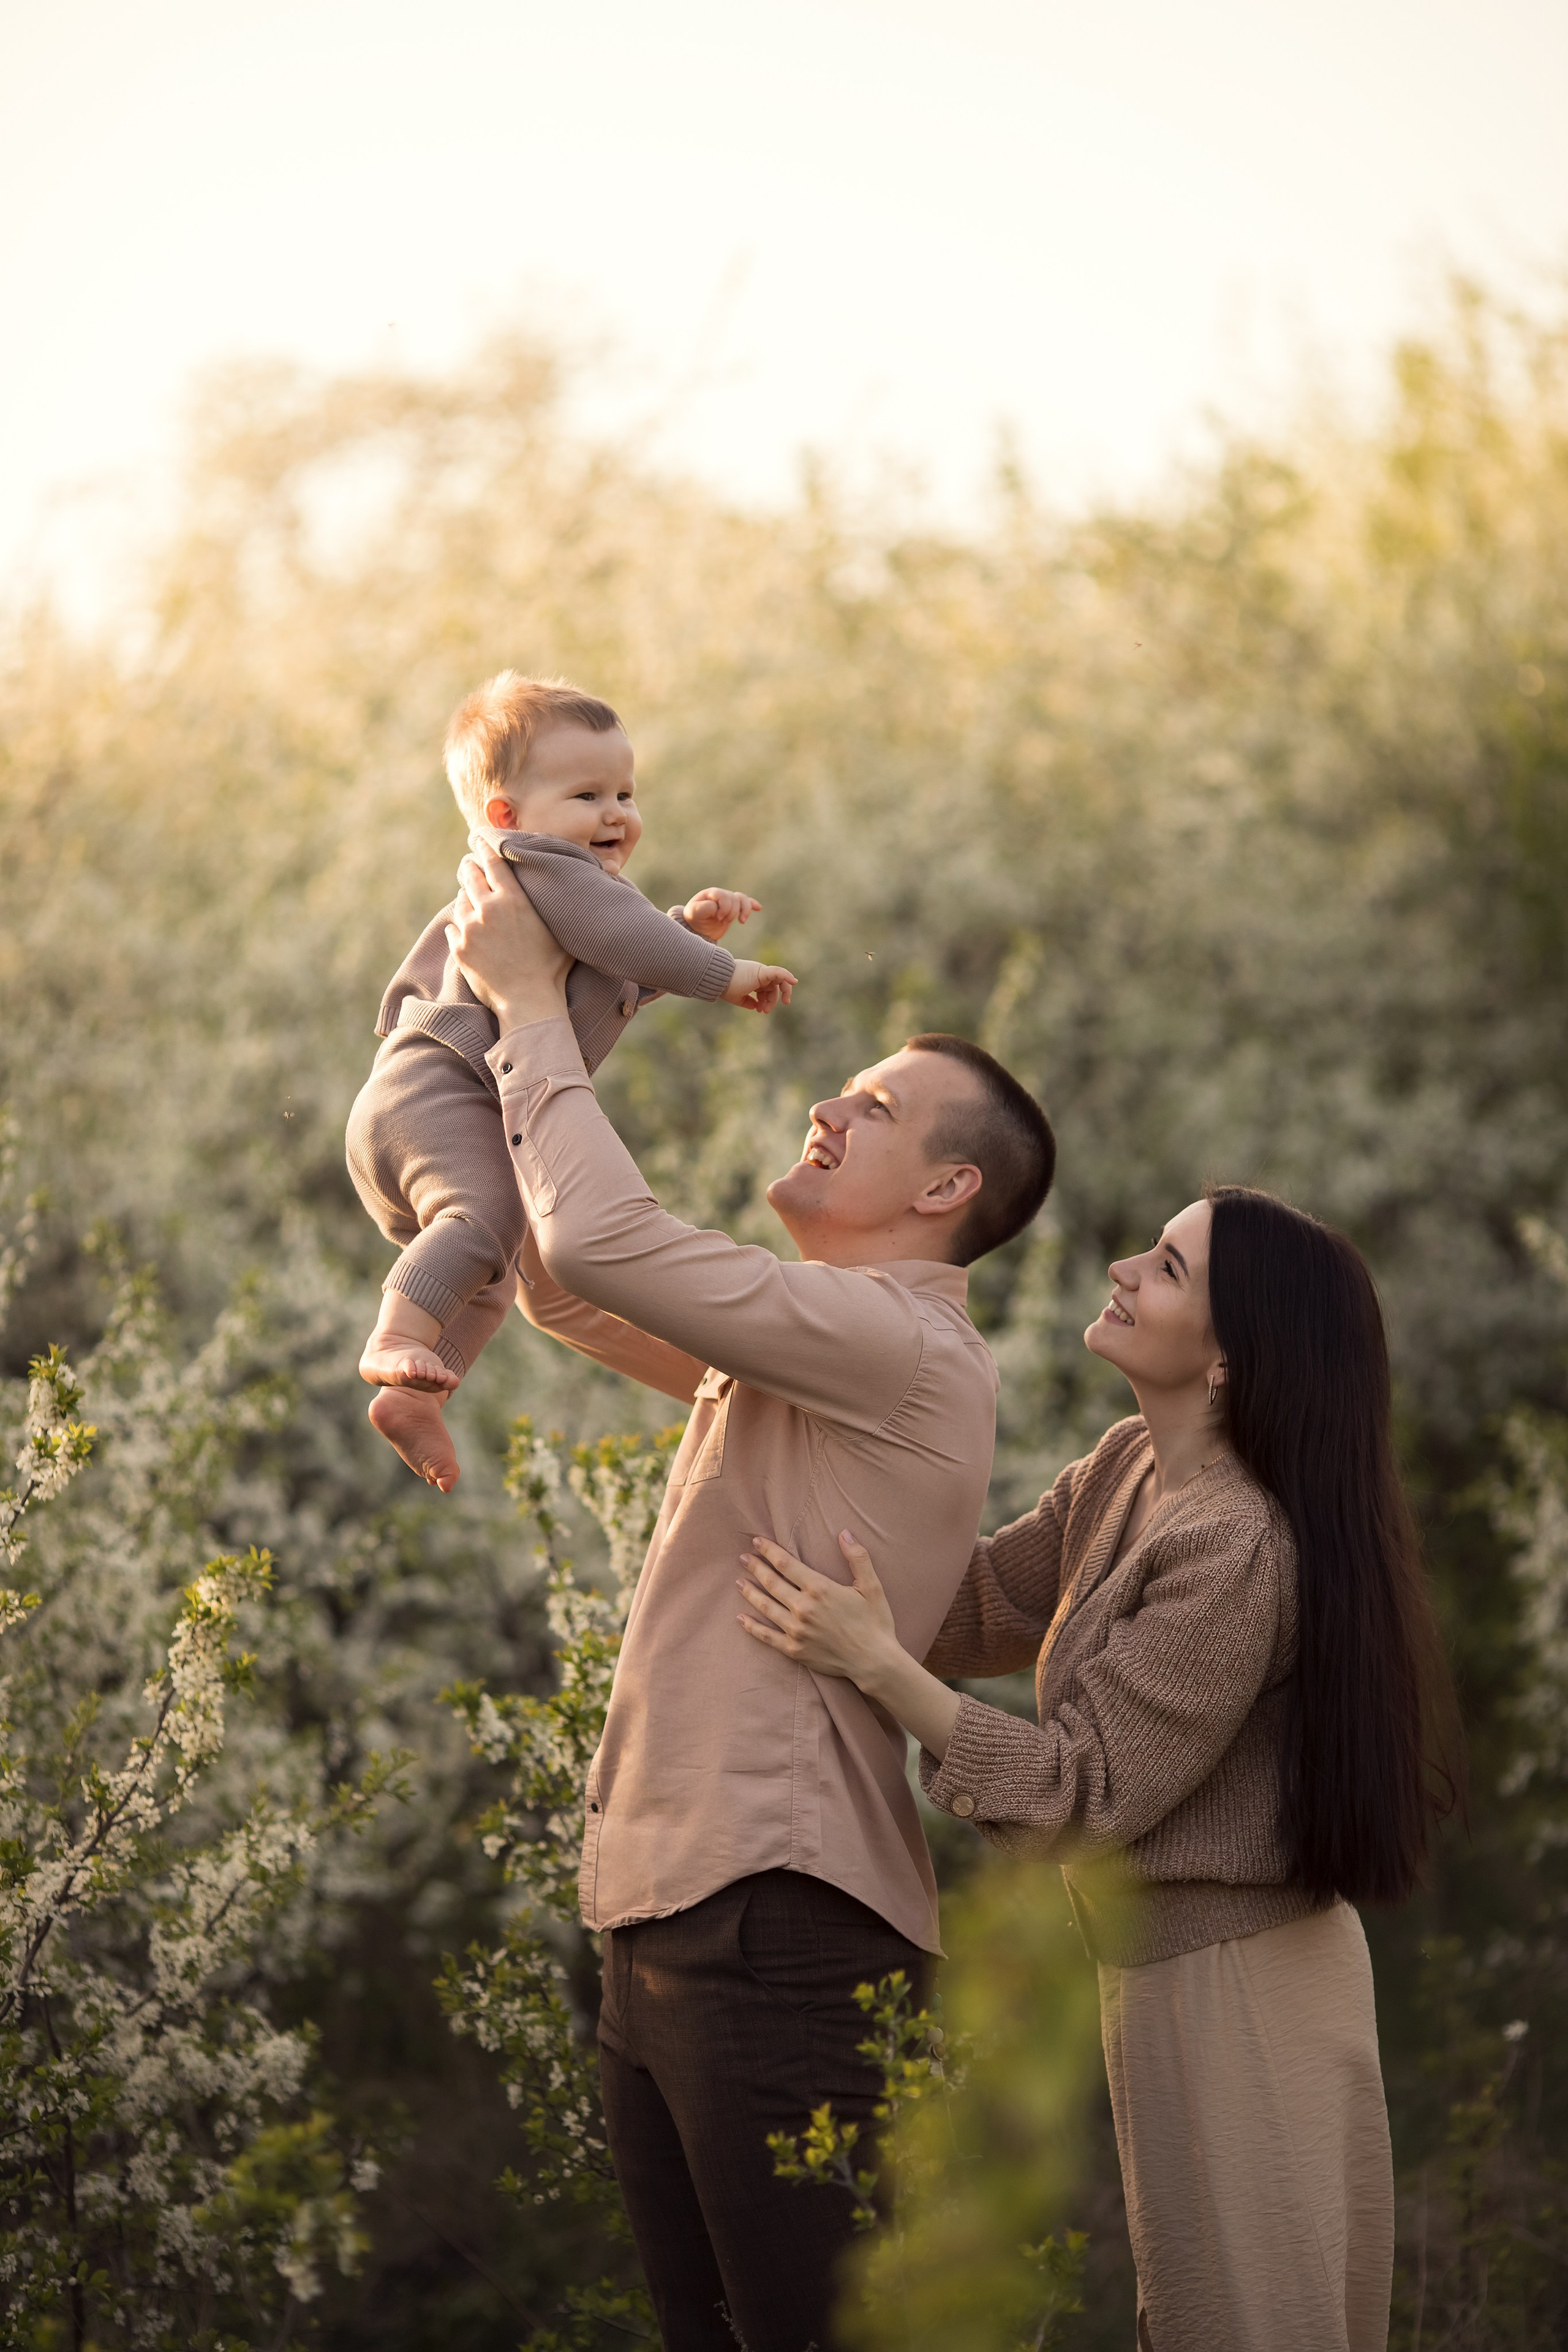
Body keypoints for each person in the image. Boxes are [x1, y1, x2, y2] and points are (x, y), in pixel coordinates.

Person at [445, 839, 1056, 2352]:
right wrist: (589, 995)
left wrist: (528, 1008)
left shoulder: (896, 1345)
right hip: (664, 1912)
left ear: (947, 1187)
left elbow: (596, 1235)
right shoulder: (812, 1342)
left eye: (873, 1107)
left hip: (777, 1921)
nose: (824, 1105)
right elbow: (562, 1282)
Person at [737, 1186, 1462, 2352]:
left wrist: (879, 1670)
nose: (1124, 1267)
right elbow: (976, 1603)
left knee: (1247, 2327)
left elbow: (1087, 1795)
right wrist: (805, 1481)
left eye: (1169, 1268)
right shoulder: (1131, 1467)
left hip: (1245, 1988)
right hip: (1171, 1974)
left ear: (1230, 1360)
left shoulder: (1235, 1544)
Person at [345, 671, 796, 1491]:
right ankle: (392, 1337)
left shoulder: (555, 891)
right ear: (505, 817)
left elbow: (617, 965)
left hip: (441, 1101)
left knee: (492, 1259)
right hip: (442, 1092)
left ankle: (417, 1391)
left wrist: (686, 929)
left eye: (625, 791)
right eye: (586, 794)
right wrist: (723, 971)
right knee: (479, 1222)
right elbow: (624, 939)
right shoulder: (539, 866)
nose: (617, 814)